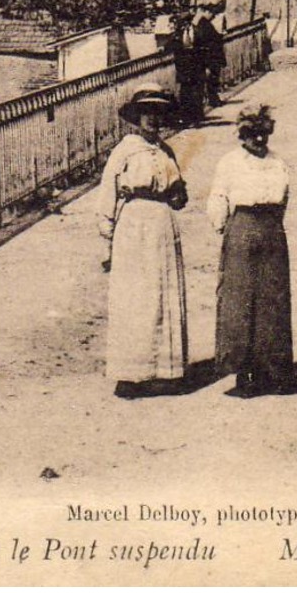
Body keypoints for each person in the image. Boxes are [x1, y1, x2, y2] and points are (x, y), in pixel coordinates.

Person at [96, 84, 190, 398]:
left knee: (162, 293)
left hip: (162, 223)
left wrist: (177, 193)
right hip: (134, 224)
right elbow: (107, 191)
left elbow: (179, 193)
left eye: (158, 113)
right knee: (135, 295)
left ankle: (165, 371)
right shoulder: (125, 150)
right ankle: (131, 374)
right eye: (147, 113)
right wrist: (106, 234)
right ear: (137, 117)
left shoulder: (166, 151)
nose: (153, 119)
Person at [207, 105, 294, 396]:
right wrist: (226, 229)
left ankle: (272, 369)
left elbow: (283, 200)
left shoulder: (278, 162)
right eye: (252, 134)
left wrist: (273, 227)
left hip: (271, 230)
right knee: (240, 298)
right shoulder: (230, 162)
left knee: (273, 297)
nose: (258, 140)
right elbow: (219, 196)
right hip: (242, 228)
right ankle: (243, 371)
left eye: (263, 134)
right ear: (242, 136)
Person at [193, 4, 227, 108]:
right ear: (206, 12)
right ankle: (213, 100)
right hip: (210, 56)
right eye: (212, 13)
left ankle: (214, 99)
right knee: (212, 79)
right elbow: (208, 40)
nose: (213, 16)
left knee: (213, 79)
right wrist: (220, 36)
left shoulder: (204, 23)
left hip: (212, 56)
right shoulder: (203, 24)